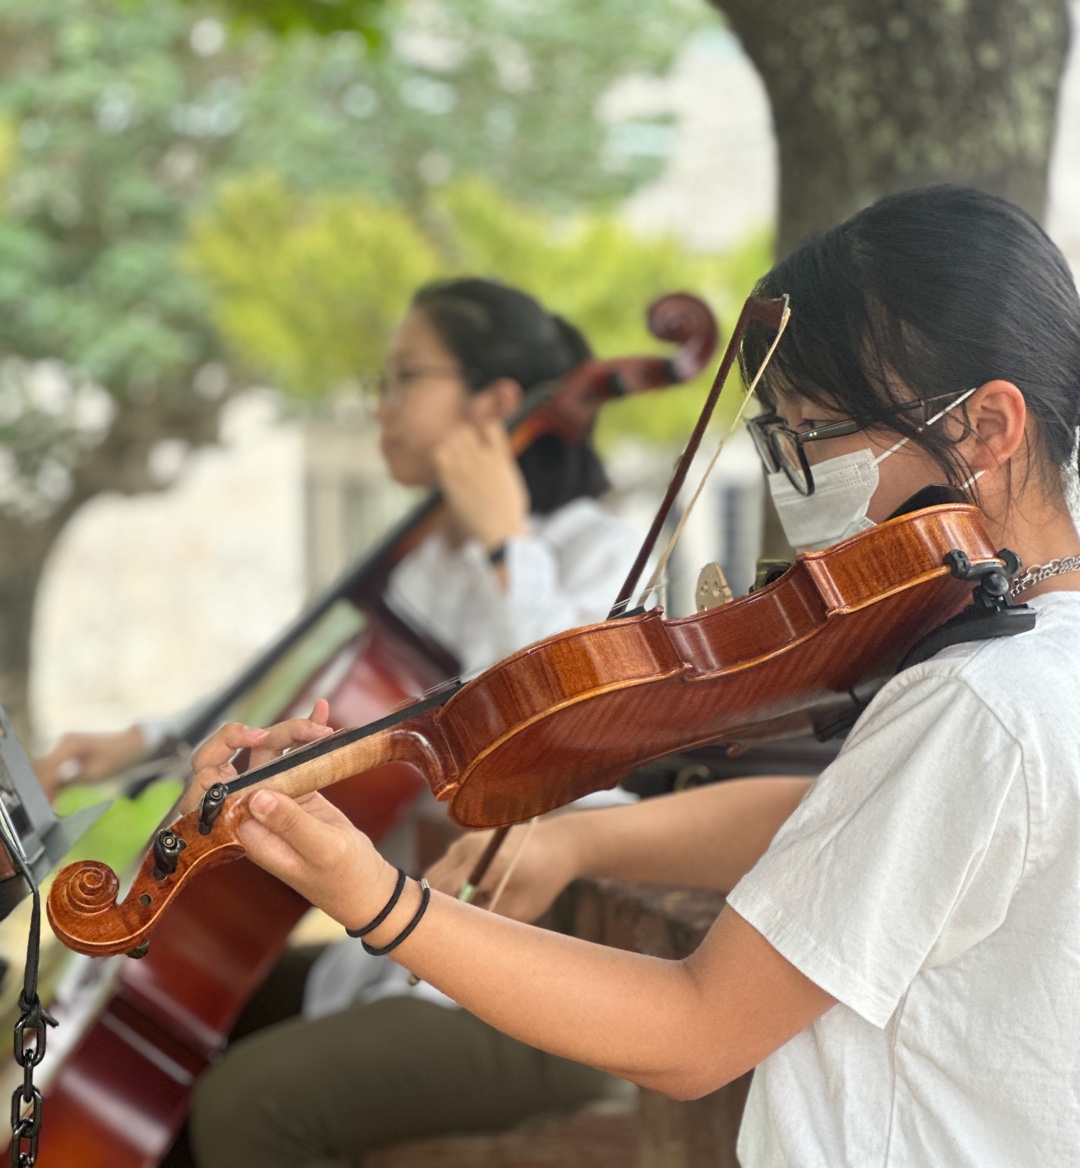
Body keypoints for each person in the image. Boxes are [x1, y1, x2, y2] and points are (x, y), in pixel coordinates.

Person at [197, 185, 1080, 1168]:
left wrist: (373, 896)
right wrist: (582, 838)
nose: (795, 483)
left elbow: (697, 1029)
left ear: (986, 428)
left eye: (815, 435)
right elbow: (861, 817)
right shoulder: (1032, 666)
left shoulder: (978, 700)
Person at [38, 279, 642, 1167]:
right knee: (175, 1042)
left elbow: (555, 736)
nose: (379, 405)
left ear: (495, 404)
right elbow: (320, 708)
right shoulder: (425, 564)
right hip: (400, 942)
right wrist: (146, 741)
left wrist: (506, 544)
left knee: (248, 1102)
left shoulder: (603, 552)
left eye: (404, 378)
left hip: (531, 972)